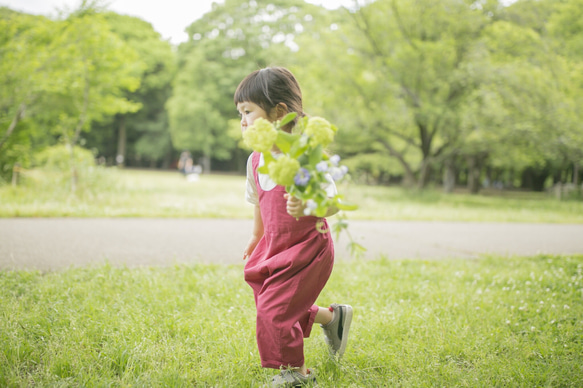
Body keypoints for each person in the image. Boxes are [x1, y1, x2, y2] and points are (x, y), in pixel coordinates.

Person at [235, 67, 353, 387]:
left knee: (276, 309)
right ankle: (333, 319)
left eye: (248, 111)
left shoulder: (304, 156)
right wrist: (256, 236)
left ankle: (295, 374)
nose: (243, 121)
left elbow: (333, 203)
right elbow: (259, 201)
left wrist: (309, 205)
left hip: (307, 246)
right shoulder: (255, 160)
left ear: (278, 112)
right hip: (274, 244)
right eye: (240, 113)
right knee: (272, 299)